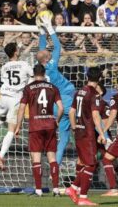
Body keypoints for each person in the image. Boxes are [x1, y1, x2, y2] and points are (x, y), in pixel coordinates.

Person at [0, 42, 34, 170]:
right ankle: (1, 156)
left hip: (3, 96)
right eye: (18, 48)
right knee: (11, 130)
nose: (20, 49)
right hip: (15, 98)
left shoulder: (4, 67)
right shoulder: (24, 64)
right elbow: (32, 79)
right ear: (16, 52)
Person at [15, 64, 63, 197]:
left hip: (35, 126)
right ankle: (56, 190)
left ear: (33, 74)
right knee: (52, 158)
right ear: (44, 73)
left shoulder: (28, 88)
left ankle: (38, 190)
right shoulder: (53, 88)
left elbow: (21, 108)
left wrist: (18, 126)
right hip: (50, 125)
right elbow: (61, 108)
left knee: (36, 159)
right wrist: (57, 120)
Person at [36, 14, 75, 165]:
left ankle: (55, 166)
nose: (51, 52)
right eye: (49, 54)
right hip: (66, 99)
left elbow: (41, 49)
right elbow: (58, 47)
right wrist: (50, 28)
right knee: (90, 117)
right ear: (47, 58)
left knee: (63, 138)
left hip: (53, 105)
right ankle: (106, 137)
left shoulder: (40, 67)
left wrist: (41, 32)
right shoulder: (51, 66)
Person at [66, 67, 106, 206]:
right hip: (88, 133)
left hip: (78, 131)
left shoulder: (80, 91)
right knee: (91, 164)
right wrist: (101, 133)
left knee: (87, 164)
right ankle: (82, 197)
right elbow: (95, 115)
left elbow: (71, 111)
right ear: (100, 79)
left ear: (87, 77)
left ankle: (73, 189)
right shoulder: (94, 93)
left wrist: (74, 126)